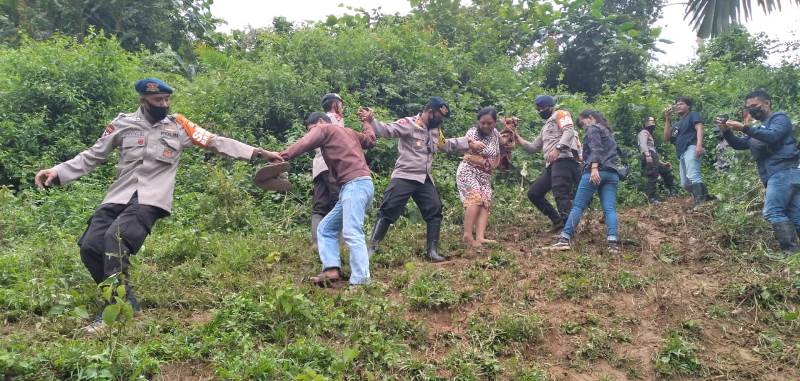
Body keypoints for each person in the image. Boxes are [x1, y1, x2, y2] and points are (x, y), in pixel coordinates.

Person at [33, 78, 275, 333]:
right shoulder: (121, 124)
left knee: (115, 240)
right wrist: (58, 171)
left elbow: (215, 141)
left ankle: (114, 313)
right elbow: (92, 155)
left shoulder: (179, 126)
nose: (164, 104)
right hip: (118, 196)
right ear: (143, 101)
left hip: (151, 198)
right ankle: (127, 304)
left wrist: (258, 153)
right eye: (158, 100)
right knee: (90, 246)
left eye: (167, 99)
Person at [363, 97, 482, 262]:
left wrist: (468, 143)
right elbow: (387, 130)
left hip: (424, 177)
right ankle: (372, 249)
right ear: (430, 112)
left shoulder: (435, 130)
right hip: (405, 175)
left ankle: (432, 251)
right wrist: (371, 121)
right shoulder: (409, 123)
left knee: (435, 210)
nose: (441, 122)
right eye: (440, 117)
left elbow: (445, 144)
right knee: (388, 210)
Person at [267, 111, 376, 286]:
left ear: (319, 122)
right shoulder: (349, 132)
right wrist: (368, 122)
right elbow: (370, 140)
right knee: (325, 229)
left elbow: (305, 143)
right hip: (358, 187)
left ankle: (361, 281)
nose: (312, 133)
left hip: (354, 186)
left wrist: (282, 156)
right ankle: (331, 270)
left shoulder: (324, 128)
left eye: (311, 130)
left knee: (352, 231)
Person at [716, 90, 800, 255]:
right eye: (749, 108)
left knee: (772, 211)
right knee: (795, 216)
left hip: (783, 171)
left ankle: (790, 252)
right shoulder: (759, 127)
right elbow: (740, 145)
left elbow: (773, 136)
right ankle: (796, 260)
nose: (751, 110)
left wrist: (745, 127)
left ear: (767, 103)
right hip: (779, 175)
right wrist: (726, 131)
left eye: (754, 106)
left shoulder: (779, 118)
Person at [548, 110, 621, 252]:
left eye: (582, 123)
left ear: (590, 118)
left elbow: (596, 149)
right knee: (609, 209)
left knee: (578, 206)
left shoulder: (593, 128)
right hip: (611, 173)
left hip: (595, 172)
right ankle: (613, 243)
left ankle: (565, 239)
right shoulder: (607, 132)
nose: (583, 127)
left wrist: (594, 168)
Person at [516, 95, 581, 232]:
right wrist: (517, 137)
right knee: (534, 193)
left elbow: (568, 131)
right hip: (551, 165)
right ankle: (557, 221)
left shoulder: (561, 114)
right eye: (538, 109)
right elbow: (533, 147)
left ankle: (568, 231)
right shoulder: (545, 127)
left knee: (561, 194)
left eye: (542, 108)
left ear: (550, 106)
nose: (540, 111)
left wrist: (558, 148)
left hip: (564, 160)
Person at [456, 107, 510, 248]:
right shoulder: (472, 132)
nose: (485, 126)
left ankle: (480, 237)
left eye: (489, 123)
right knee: (476, 199)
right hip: (469, 171)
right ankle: (467, 236)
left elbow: (503, 143)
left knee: (485, 203)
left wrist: (510, 129)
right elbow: (463, 151)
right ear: (478, 122)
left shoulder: (495, 133)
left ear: (494, 123)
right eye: (482, 123)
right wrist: (473, 145)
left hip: (485, 176)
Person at [309, 93, 345, 250]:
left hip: (318, 167)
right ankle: (343, 243)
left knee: (319, 206)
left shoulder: (316, 121)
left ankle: (317, 243)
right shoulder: (334, 119)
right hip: (331, 167)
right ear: (335, 104)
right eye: (341, 104)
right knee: (340, 202)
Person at [663, 96, 711, 208]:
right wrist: (667, 119)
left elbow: (700, 128)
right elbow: (666, 138)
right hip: (682, 153)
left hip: (692, 147)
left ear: (688, 106)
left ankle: (699, 204)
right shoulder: (676, 124)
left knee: (693, 175)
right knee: (685, 184)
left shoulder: (693, 115)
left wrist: (699, 145)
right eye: (677, 104)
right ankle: (705, 196)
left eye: (681, 104)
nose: (678, 106)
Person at [638, 116, 676, 203]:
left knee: (666, 171)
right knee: (652, 176)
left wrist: (662, 163)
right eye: (649, 122)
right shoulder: (644, 132)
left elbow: (653, 151)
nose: (652, 125)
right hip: (649, 155)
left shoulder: (649, 134)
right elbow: (643, 145)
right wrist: (647, 155)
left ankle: (672, 191)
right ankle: (650, 197)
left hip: (653, 156)